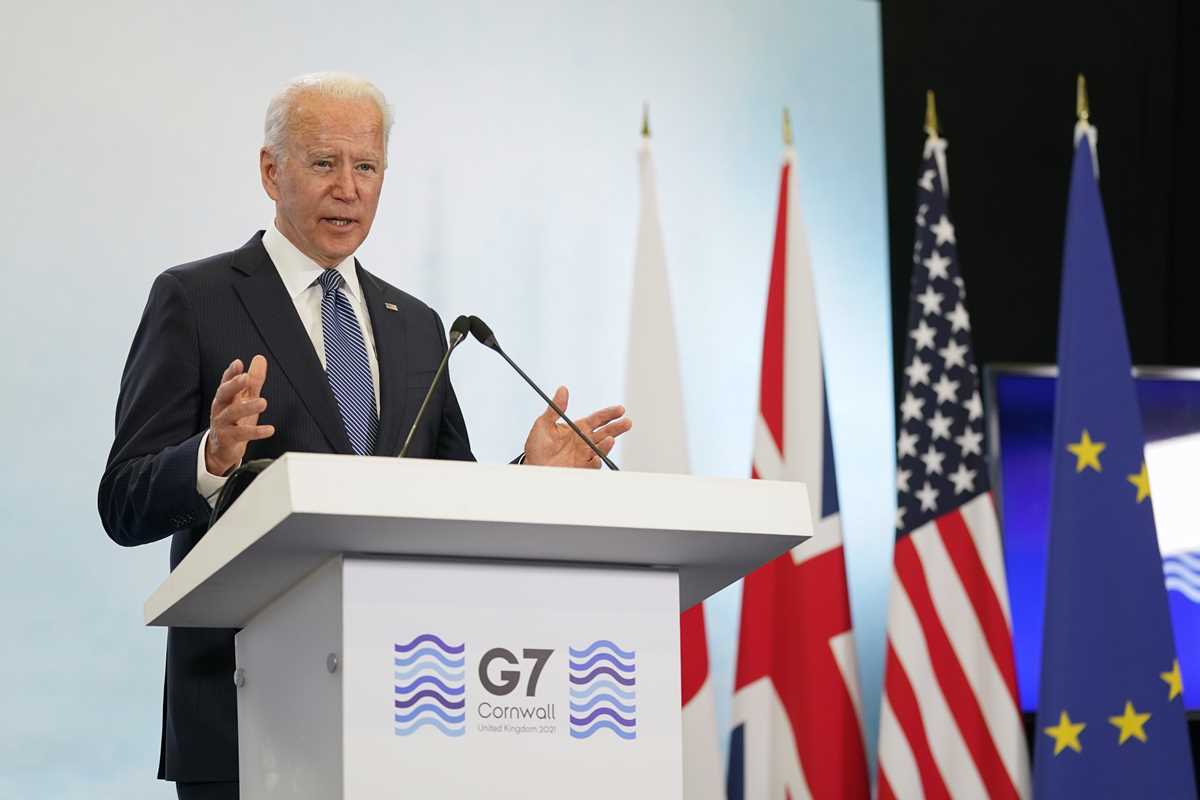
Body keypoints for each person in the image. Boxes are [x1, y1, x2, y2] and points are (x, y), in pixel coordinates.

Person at [97, 72, 631, 800]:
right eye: (324, 162)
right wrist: (210, 458)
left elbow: (443, 499)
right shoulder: (195, 299)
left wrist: (525, 476)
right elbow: (122, 501)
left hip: (405, 717)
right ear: (271, 171)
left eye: (367, 166)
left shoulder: (416, 326)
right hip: (242, 719)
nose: (347, 188)